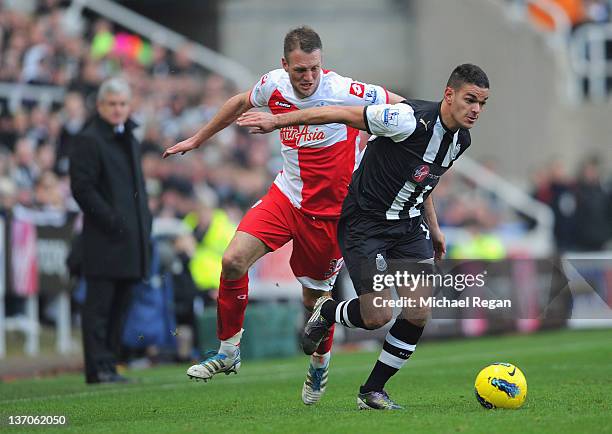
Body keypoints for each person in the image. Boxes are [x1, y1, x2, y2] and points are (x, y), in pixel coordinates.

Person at [163, 26, 404, 404]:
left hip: (329, 215)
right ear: (284, 66)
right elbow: (240, 101)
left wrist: (400, 136)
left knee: (315, 303)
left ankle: (320, 364)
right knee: (232, 260)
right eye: (299, 71)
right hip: (285, 196)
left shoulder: (344, 90)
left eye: (314, 69)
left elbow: (402, 106)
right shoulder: (273, 85)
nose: (308, 78)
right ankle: (228, 352)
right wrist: (198, 139)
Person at [237, 63, 490, 409]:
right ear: (449, 94)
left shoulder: (461, 139)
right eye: (470, 99)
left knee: (418, 311)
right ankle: (327, 312)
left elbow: (423, 177)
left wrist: (435, 228)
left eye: (482, 104)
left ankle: (372, 391)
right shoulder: (405, 119)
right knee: (377, 317)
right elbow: (338, 112)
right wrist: (276, 121)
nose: (476, 110)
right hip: (365, 223)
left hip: (408, 225)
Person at [70, 77, 152, 384]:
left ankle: (110, 364)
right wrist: (112, 221)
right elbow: (82, 189)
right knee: (100, 307)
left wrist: (144, 223)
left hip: (131, 240)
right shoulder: (89, 139)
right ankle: (97, 367)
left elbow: (138, 188)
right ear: (101, 106)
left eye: (122, 104)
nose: (118, 110)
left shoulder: (129, 137)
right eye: (112, 104)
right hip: (104, 240)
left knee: (121, 306)